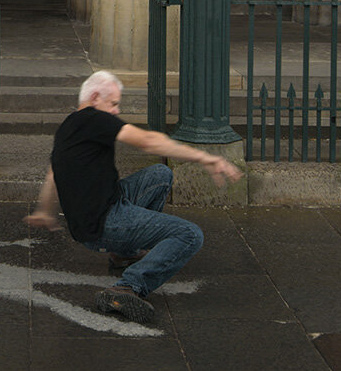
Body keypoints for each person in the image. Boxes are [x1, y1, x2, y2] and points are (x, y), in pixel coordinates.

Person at [25, 69, 242, 325]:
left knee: (160, 174)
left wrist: (44, 210)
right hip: (103, 222)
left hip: (104, 206)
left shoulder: (69, 125)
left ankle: (124, 253)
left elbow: (52, 173)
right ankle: (128, 287)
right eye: (113, 103)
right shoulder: (94, 118)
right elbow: (147, 141)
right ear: (94, 97)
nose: (116, 110)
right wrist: (205, 157)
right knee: (189, 235)